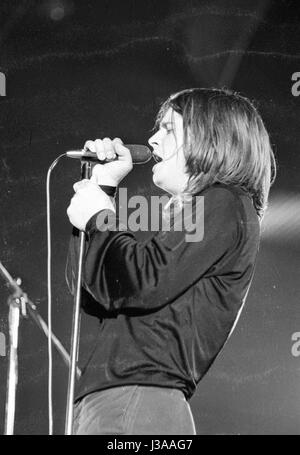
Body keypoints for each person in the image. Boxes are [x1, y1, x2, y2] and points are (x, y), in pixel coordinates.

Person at [66, 88, 276, 435]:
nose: (153, 140)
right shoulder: (206, 213)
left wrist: (101, 218)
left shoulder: (225, 202)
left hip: (136, 401)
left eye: (167, 128)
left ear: (211, 136)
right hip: (119, 400)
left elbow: (140, 280)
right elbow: (96, 293)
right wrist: (102, 188)